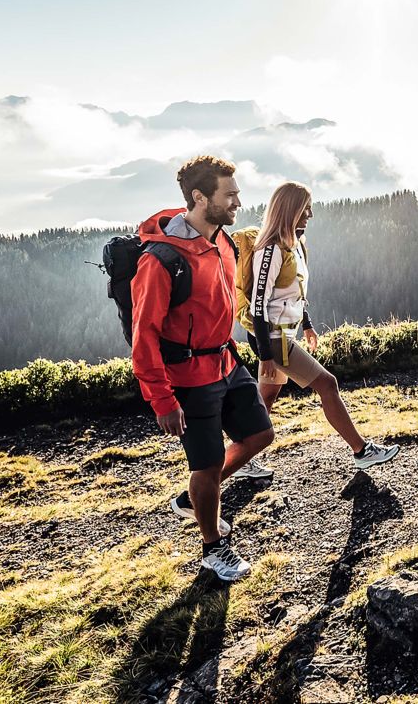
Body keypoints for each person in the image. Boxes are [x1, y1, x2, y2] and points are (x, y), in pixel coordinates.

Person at [131, 155, 274, 582]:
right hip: (189, 380)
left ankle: (195, 497)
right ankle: (214, 548)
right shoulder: (159, 260)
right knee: (206, 466)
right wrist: (162, 400)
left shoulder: (221, 241)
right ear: (199, 197)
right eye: (229, 195)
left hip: (226, 361)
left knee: (260, 434)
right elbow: (144, 337)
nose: (237, 202)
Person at [238, 181, 399, 470]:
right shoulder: (270, 249)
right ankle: (362, 451)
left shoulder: (296, 243)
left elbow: (296, 292)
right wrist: (265, 355)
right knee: (327, 383)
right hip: (272, 338)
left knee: (267, 397)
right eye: (306, 209)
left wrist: (308, 325)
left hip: (282, 333)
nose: (310, 214)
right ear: (290, 210)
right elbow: (258, 306)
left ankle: (242, 458)